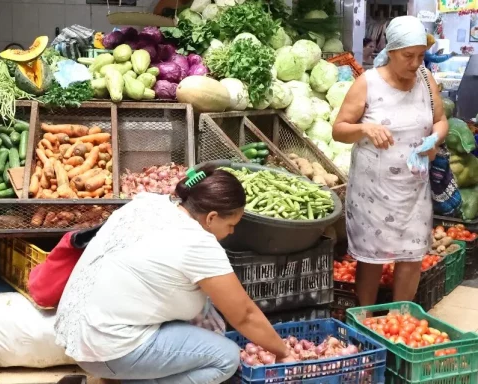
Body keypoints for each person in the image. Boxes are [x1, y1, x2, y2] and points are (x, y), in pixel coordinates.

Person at [54, 165, 294, 384]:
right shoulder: (197, 242)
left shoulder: (149, 203)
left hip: (74, 331)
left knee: (206, 303)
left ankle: (122, 376)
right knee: (226, 358)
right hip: (106, 347)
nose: (231, 233)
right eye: (231, 225)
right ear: (211, 218)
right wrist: (284, 353)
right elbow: (245, 315)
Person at [332, 16, 448, 306]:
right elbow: (339, 130)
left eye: (421, 56)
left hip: (413, 188)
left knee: (412, 253)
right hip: (373, 192)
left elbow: (441, 120)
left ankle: (401, 317)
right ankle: (366, 318)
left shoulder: (425, 80)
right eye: (408, 56)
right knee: (372, 256)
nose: (415, 63)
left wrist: (434, 139)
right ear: (392, 51)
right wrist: (364, 128)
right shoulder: (367, 83)